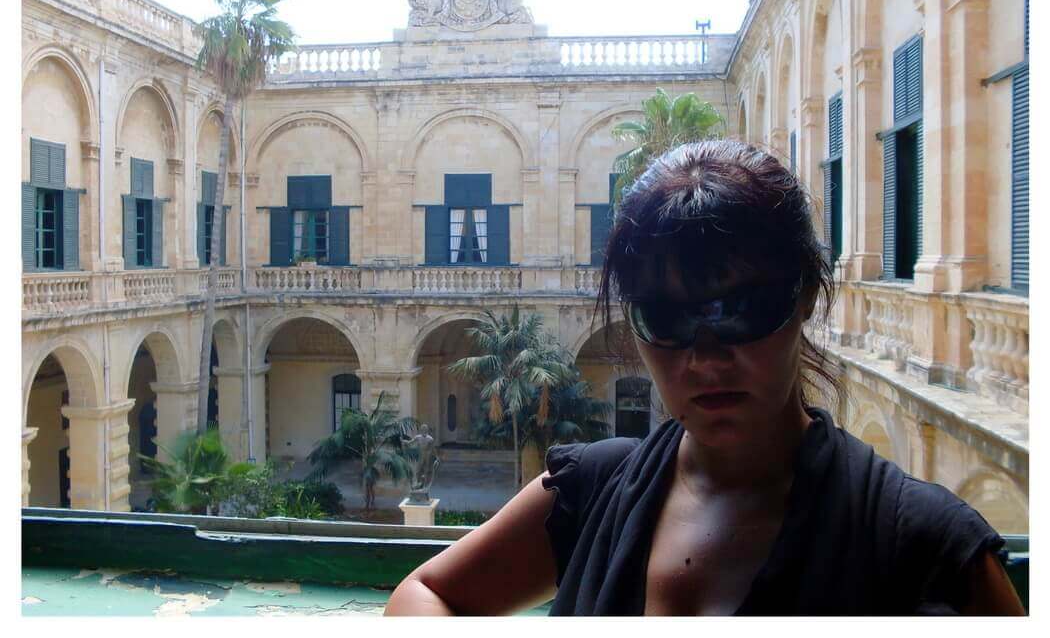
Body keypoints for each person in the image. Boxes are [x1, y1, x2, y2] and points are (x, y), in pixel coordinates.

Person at [385, 141, 1025, 617]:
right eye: (666, 317)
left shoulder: (926, 548)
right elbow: (424, 592)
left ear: (805, 298)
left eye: (742, 308)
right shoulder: (590, 489)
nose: (706, 357)